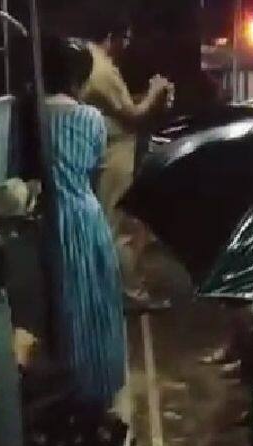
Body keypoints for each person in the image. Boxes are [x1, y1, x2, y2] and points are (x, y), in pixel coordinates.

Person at [40, 37, 125, 409]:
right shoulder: (90, 119)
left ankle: (62, 392)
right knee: (94, 303)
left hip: (46, 216)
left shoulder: (31, 117)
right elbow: (92, 175)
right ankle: (96, 387)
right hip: (85, 215)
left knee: (59, 305)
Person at [77, 14, 174, 306]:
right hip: (114, 153)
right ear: (111, 36)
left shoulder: (92, 63)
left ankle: (116, 287)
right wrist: (156, 92)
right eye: (125, 37)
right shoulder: (101, 68)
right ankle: (129, 292)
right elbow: (133, 114)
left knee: (118, 222)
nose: (128, 44)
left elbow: (120, 105)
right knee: (118, 225)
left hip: (108, 149)